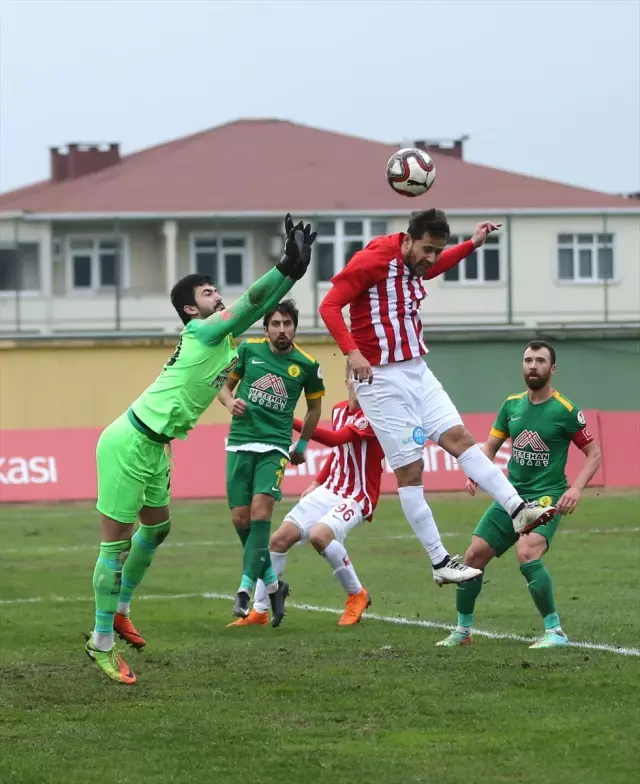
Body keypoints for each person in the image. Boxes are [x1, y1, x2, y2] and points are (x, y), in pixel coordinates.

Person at [86, 215, 316, 685]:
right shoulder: (203, 332)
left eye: (215, 288)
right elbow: (253, 301)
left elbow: (256, 308)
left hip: (154, 447)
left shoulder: (223, 336)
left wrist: (292, 272)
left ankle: (122, 608)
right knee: (115, 546)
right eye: (207, 292)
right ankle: (101, 640)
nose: (217, 294)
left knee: (157, 530)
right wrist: (282, 265)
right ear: (191, 311)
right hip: (128, 443)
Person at [319, 209, 557, 586]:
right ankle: (439, 561)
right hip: (379, 379)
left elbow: (433, 266)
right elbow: (329, 305)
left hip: (416, 369)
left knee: (461, 439)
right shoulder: (374, 259)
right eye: (426, 249)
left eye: (437, 250)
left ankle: (518, 509)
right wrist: (351, 352)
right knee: (411, 473)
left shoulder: (417, 262)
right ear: (408, 240)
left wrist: (471, 245)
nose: (430, 258)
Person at [436, 340, 602, 649]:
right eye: (528, 360)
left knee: (527, 553)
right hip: (511, 496)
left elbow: (593, 453)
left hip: (546, 498)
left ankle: (555, 632)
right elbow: (489, 447)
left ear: (551, 369)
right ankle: (463, 632)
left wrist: (576, 488)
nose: (533, 365)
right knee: (473, 556)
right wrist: (476, 471)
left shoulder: (565, 410)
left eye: (540, 361)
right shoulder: (511, 405)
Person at [229, 364, 385, 629]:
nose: (361, 384)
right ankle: (259, 611)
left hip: (357, 496)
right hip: (330, 488)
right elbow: (340, 452)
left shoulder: (374, 414)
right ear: (347, 380)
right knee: (278, 540)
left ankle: (357, 594)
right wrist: (317, 481)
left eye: (368, 380)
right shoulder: (338, 410)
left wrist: (289, 419)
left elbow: (336, 440)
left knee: (319, 535)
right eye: (356, 378)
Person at [218, 299, 325, 620]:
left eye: (287, 324)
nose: (282, 330)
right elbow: (222, 385)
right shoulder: (248, 351)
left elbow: (315, 408)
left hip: (275, 446)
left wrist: (303, 443)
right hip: (239, 442)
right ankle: (275, 586)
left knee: (261, 512)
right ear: (266, 329)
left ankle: (245, 589)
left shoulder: (307, 365)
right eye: (276, 324)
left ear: (295, 327)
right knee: (241, 520)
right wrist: (228, 402)